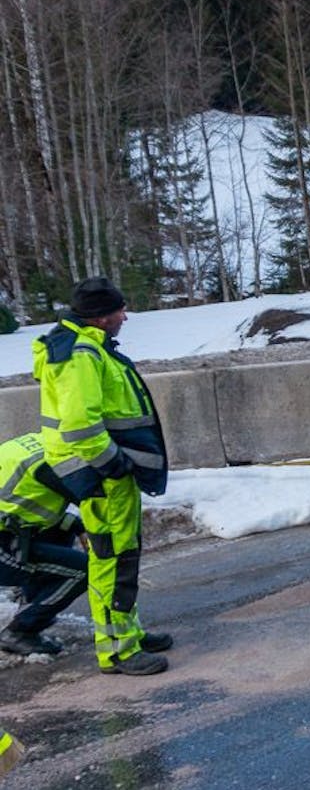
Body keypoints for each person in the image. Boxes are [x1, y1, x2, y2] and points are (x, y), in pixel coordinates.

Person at [32, 277, 171, 676]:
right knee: (114, 560)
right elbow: (80, 425)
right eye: (120, 310)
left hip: (100, 473)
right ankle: (118, 650)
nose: (125, 316)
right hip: (100, 476)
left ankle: (128, 632)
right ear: (100, 317)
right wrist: (112, 463)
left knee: (116, 556)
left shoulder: (84, 347)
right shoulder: (80, 355)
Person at [0, 432, 88, 657]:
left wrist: (77, 526)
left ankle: (32, 605)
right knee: (82, 571)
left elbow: (29, 506)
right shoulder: (53, 466)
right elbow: (93, 501)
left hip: (9, 530)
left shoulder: (44, 443)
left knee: (62, 529)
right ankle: (20, 630)